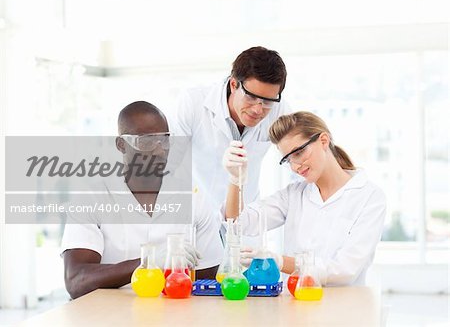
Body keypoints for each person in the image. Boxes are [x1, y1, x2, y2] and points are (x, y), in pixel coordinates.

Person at [62, 101, 222, 299]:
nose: (158, 150)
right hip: (107, 316)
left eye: (164, 140)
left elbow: (208, 282)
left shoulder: (193, 196)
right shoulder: (91, 197)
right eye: (146, 141)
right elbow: (76, 280)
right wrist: (148, 263)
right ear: (121, 145)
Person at [223, 111, 386, 286]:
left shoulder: (369, 197)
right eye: (288, 159)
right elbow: (238, 222)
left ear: (324, 141)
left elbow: (345, 270)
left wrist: (280, 262)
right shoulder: (294, 194)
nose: (295, 166)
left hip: (340, 307)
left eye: (299, 153)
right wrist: (236, 180)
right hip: (293, 305)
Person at [171, 46, 291, 239]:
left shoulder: (278, 109)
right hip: (199, 221)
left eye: (267, 101)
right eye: (251, 97)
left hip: (243, 222)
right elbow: (171, 169)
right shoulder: (192, 103)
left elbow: (299, 151)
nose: (258, 110)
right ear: (234, 84)